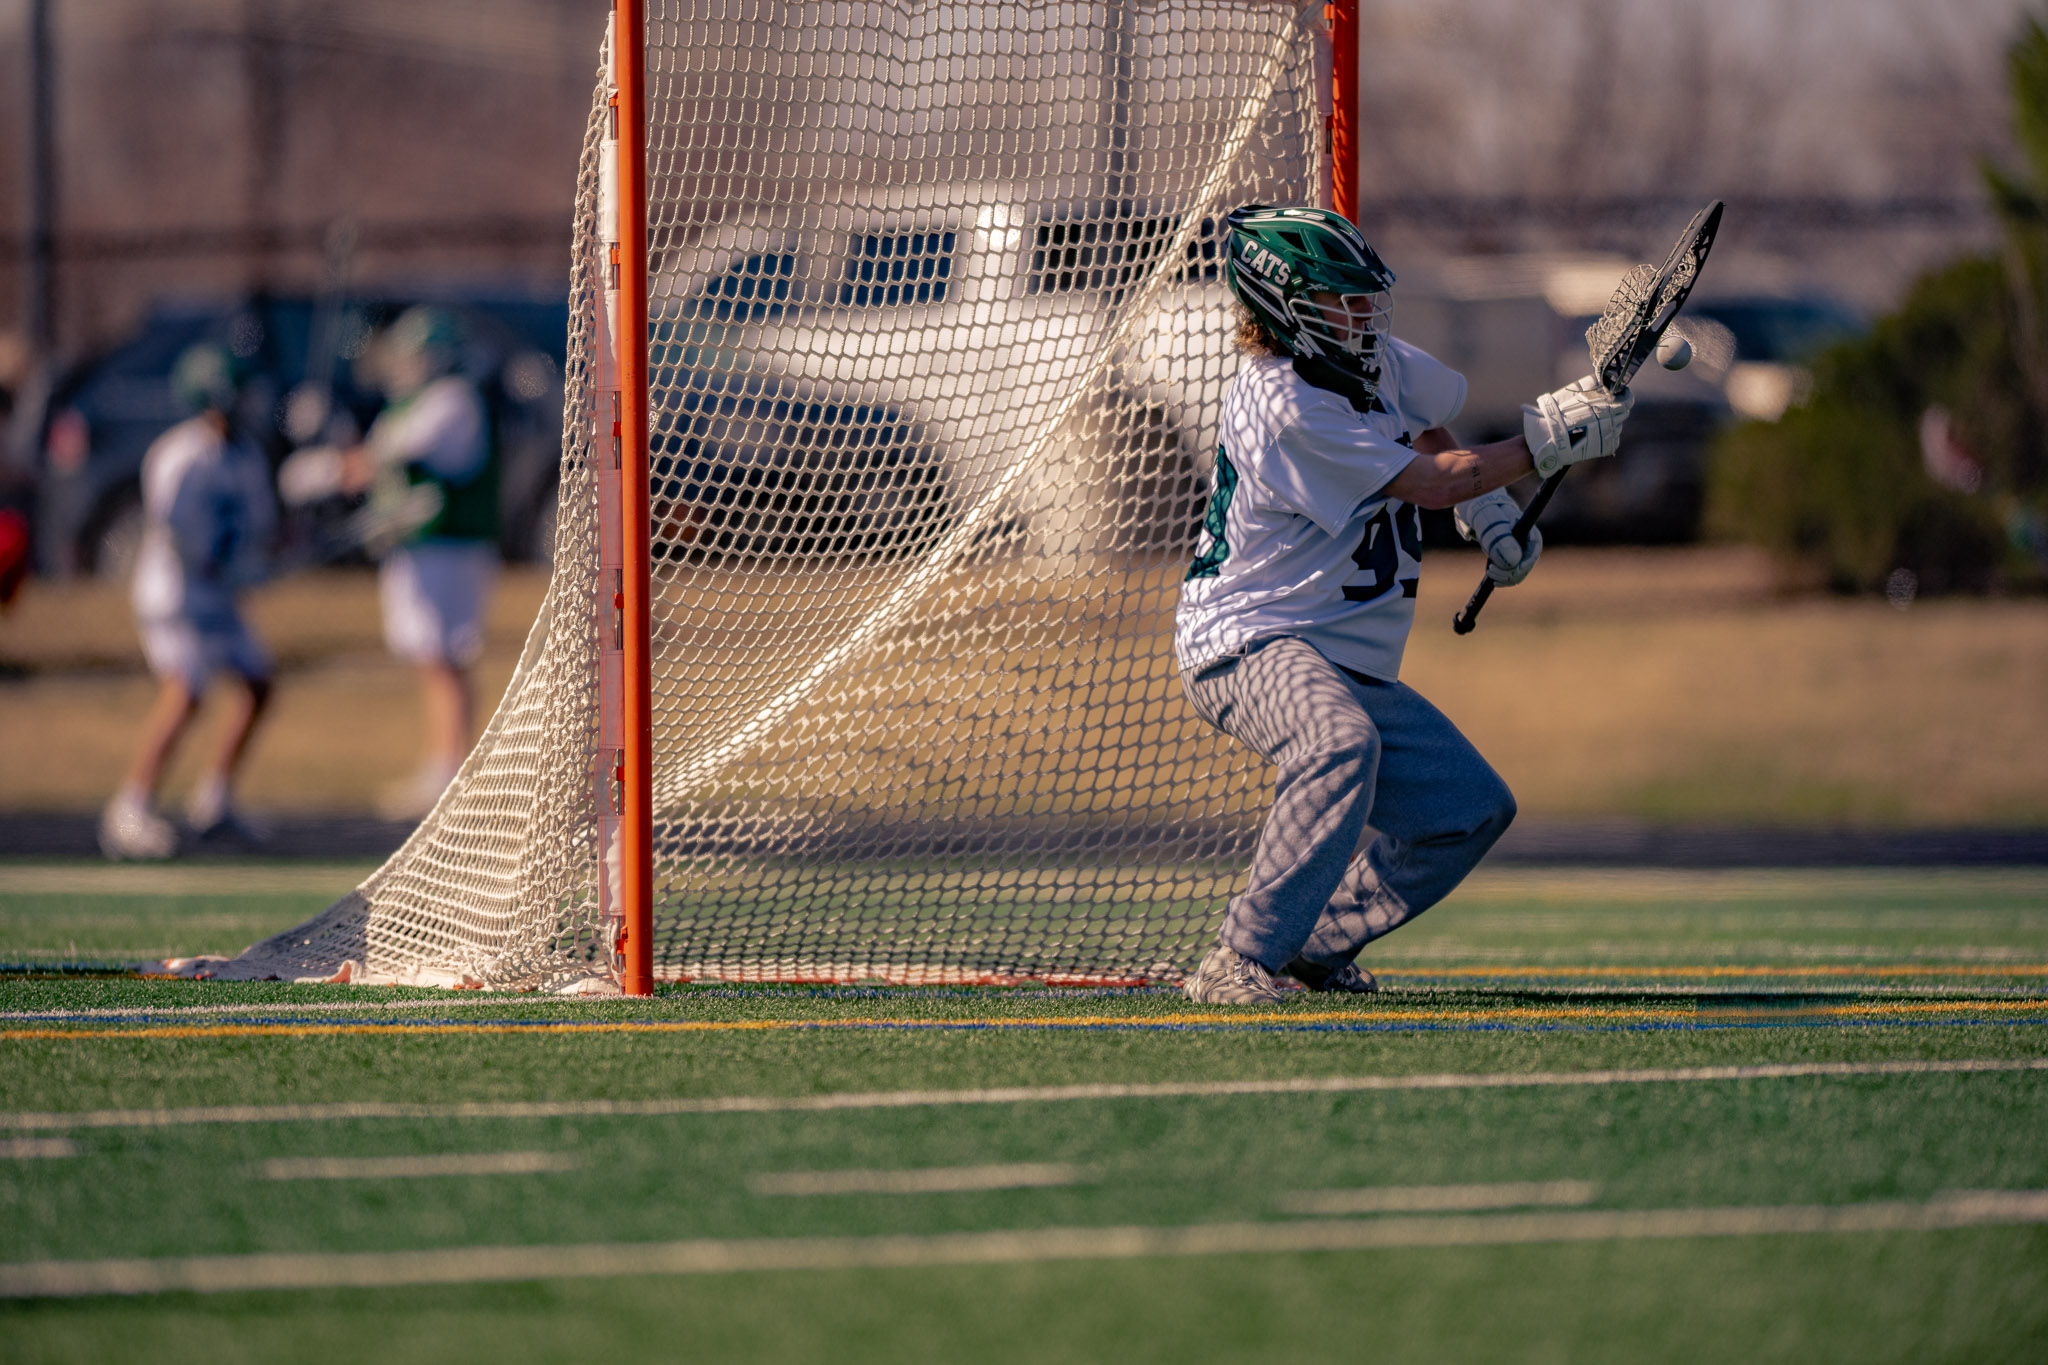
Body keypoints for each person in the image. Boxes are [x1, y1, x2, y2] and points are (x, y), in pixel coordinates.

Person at [1176, 204, 1634, 1003]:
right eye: (1338, 299)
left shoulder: (1369, 361)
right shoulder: (1284, 405)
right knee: (1337, 743)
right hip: (1250, 638)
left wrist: (1488, 508)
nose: (1360, 314)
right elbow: (1431, 481)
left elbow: (1427, 427)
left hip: (1340, 653)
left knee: (1468, 808)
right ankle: (1237, 960)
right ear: (1285, 306)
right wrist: (1538, 447)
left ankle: (1310, 946)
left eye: (1363, 297)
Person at [100, 343, 277, 860]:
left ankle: (214, 800)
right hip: (176, 593)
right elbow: (176, 531)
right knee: (186, 692)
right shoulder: (181, 454)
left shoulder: (245, 455)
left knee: (260, 686)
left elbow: (260, 528)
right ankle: (128, 808)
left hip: (218, 593)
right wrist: (225, 564)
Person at [342, 306, 499, 820]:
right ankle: (445, 763)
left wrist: (337, 463)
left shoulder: (451, 402)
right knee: (430, 656)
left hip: (448, 546)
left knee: (441, 656)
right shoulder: (418, 403)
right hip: (423, 548)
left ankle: (448, 767)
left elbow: (392, 453)